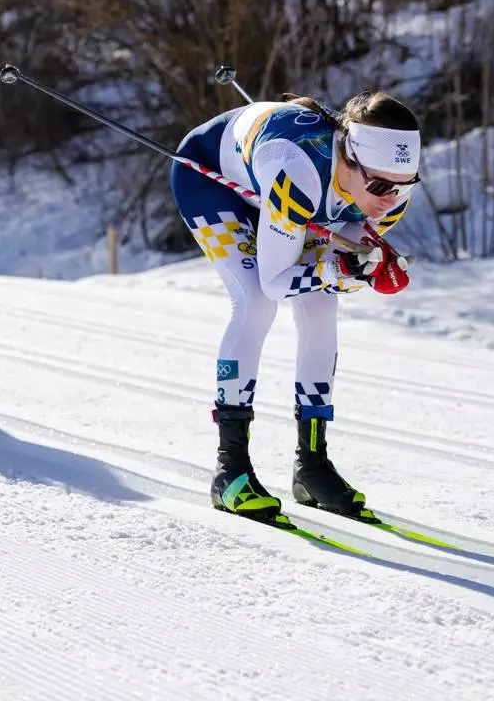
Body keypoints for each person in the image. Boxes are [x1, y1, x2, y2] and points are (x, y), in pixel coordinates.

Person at [169, 90, 420, 527]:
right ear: (348, 160)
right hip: (211, 180)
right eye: (379, 185)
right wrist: (342, 269)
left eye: (404, 185)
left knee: (322, 308)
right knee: (256, 302)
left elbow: (347, 249)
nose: (390, 199)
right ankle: (230, 470)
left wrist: (363, 267)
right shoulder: (296, 171)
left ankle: (312, 465)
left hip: (293, 194)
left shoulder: (388, 189)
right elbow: (276, 279)